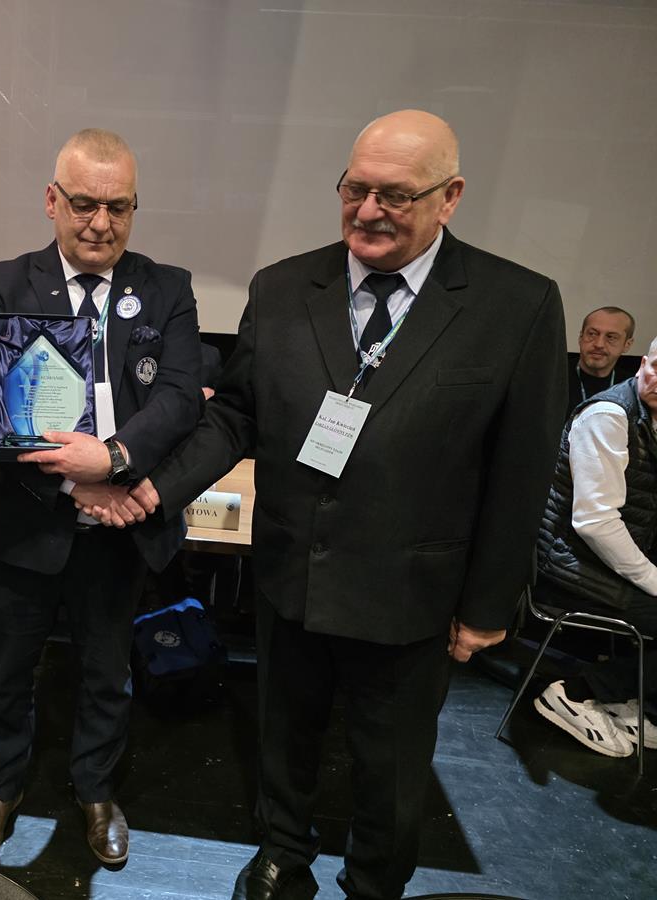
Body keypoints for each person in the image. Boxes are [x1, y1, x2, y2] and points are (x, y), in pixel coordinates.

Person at [128, 110, 566, 900]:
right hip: (289, 575)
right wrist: (155, 487)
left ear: (450, 196)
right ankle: (281, 855)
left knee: (390, 769)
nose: (367, 212)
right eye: (354, 189)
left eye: (395, 195)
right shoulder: (283, 286)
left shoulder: (517, 305)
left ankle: (373, 884)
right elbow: (236, 414)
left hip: (412, 596)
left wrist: (488, 606)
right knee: (283, 739)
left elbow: (522, 470)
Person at [0, 128, 202, 866]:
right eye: (84, 205)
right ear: (51, 200)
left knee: (107, 670)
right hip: (26, 520)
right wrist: (81, 481)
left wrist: (116, 463)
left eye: (117, 207)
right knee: (7, 668)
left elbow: (181, 398)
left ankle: (96, 789)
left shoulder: (167, 288)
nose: (100, 223)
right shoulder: (3, 284)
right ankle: (0, 788)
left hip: (119, 530)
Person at [534, 337, 657, 757]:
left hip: (605, 566)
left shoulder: (649, 418)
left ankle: (625, 696)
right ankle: (577, 692)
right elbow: (595, 524)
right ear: (642, 364)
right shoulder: (608, 417)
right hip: (569, 569)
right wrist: (653, 579)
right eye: (656, 367)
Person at [567, 306, 635, 417]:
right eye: (592, 334)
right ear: (580, 337)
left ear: (627, 345)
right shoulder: (552, 379)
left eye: (611, 337)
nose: (599, 344)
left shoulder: (634, 389)